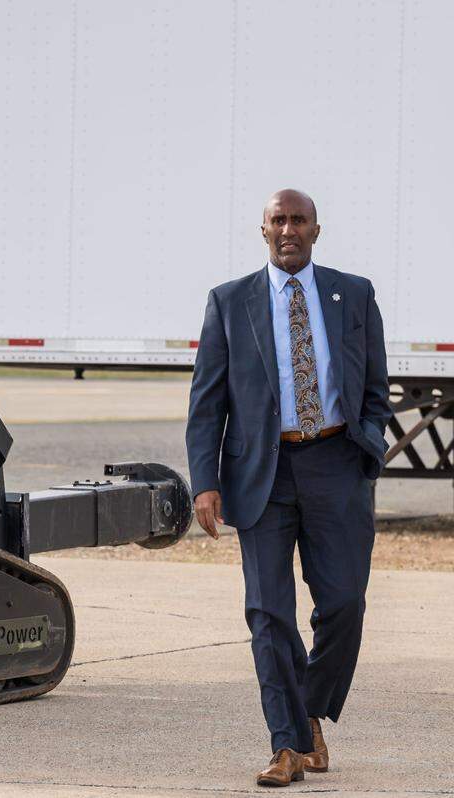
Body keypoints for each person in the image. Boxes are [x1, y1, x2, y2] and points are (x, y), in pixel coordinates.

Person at [185, 189, 390, 787]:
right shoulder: (229, 302)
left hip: (336, 464)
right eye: (279, 220)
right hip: (261, 475)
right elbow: (207, 400)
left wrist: (369, 444)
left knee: (345, 604)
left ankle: (306, 711)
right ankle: (287, 744)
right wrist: (205, 482)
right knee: (268, 613)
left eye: (299, 220)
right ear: (264, 230)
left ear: (316, 230)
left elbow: (376, 384)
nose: (289, 229)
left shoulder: (353, 292)